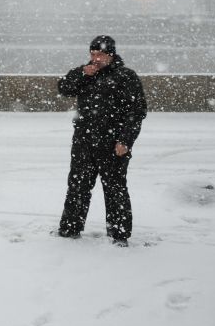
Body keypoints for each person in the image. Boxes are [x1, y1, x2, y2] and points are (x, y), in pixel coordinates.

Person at [56, 35, 147, 246]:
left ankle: (119, 234)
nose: (95, 58)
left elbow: (136, 112)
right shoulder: (85, 73)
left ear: (111, 55)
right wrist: (80, 74)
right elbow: (63, 88)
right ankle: (70, 230)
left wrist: (125, 141)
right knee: (78, 185)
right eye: (93, 54)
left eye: (100, 54)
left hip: (113, 143)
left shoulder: (126, 76)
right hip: (84, 141)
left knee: (115, 188)